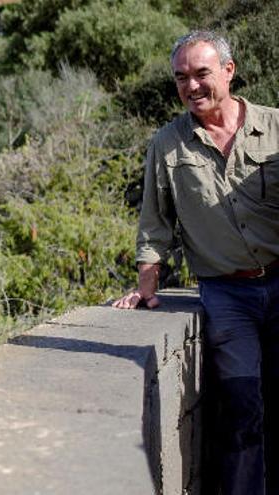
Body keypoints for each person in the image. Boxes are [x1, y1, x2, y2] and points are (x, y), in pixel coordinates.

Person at [112, 30, 279, 495]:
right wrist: (147, 286)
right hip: (227, 295)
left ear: (229, 70)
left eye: (202, 73)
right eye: (181, 78)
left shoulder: (276, 126)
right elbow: (155, 222)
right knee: (242, 403)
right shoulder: (167, 145)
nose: (192, 86)